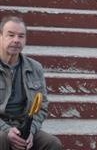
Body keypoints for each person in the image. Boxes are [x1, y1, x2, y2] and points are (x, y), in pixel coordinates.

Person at [0, 16, 63, 150]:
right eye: (10, 35)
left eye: (21, 36)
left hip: (24, 125)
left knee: (52, 143)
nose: (16, 40)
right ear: (0, 36)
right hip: (2, 128)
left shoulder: (35, 68)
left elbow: (42, 105)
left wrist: (31, 132)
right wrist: (6, 130)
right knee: (2, 139)